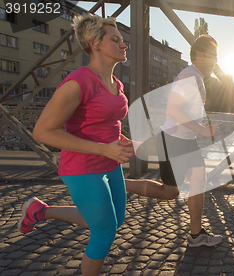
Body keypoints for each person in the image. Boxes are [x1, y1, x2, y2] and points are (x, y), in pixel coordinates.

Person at [19, 14, 132, 275]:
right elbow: (43, 132)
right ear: (94, 43)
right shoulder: (77, 82)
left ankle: (40, 211)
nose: (123, 45)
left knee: (115, 221)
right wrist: (104, 148)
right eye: (115, 40)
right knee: (103, 234)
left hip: (110, 162)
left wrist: (121, 141)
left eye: (123, 40)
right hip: (82, 168)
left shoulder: (116, 83)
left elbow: (104, 124)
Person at [125, 35, 223, 247]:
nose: (216, 60)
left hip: (182, 140)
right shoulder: (190, 75)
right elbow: (173, 109)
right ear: (199, 55)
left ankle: (196, 236)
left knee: (197, 182)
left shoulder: (195, 76)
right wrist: (204, 131)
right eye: (212, 56)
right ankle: (119, 184)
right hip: (174, 140)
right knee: (170, 191)